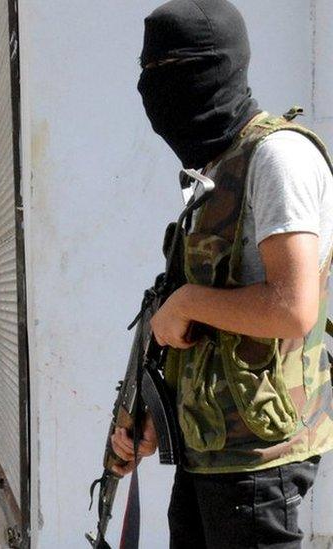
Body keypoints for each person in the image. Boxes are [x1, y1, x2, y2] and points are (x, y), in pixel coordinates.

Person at [111, 1, 333, 547]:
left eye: (174, 70)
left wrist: (186, 302)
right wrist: (146, 418)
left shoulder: (277, 157)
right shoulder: (217, 170)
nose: (157, 91)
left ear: (224, 65)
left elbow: (293, 308)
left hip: (258, 460)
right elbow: (200, 327)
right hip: (207, 448)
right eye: (149, 74)